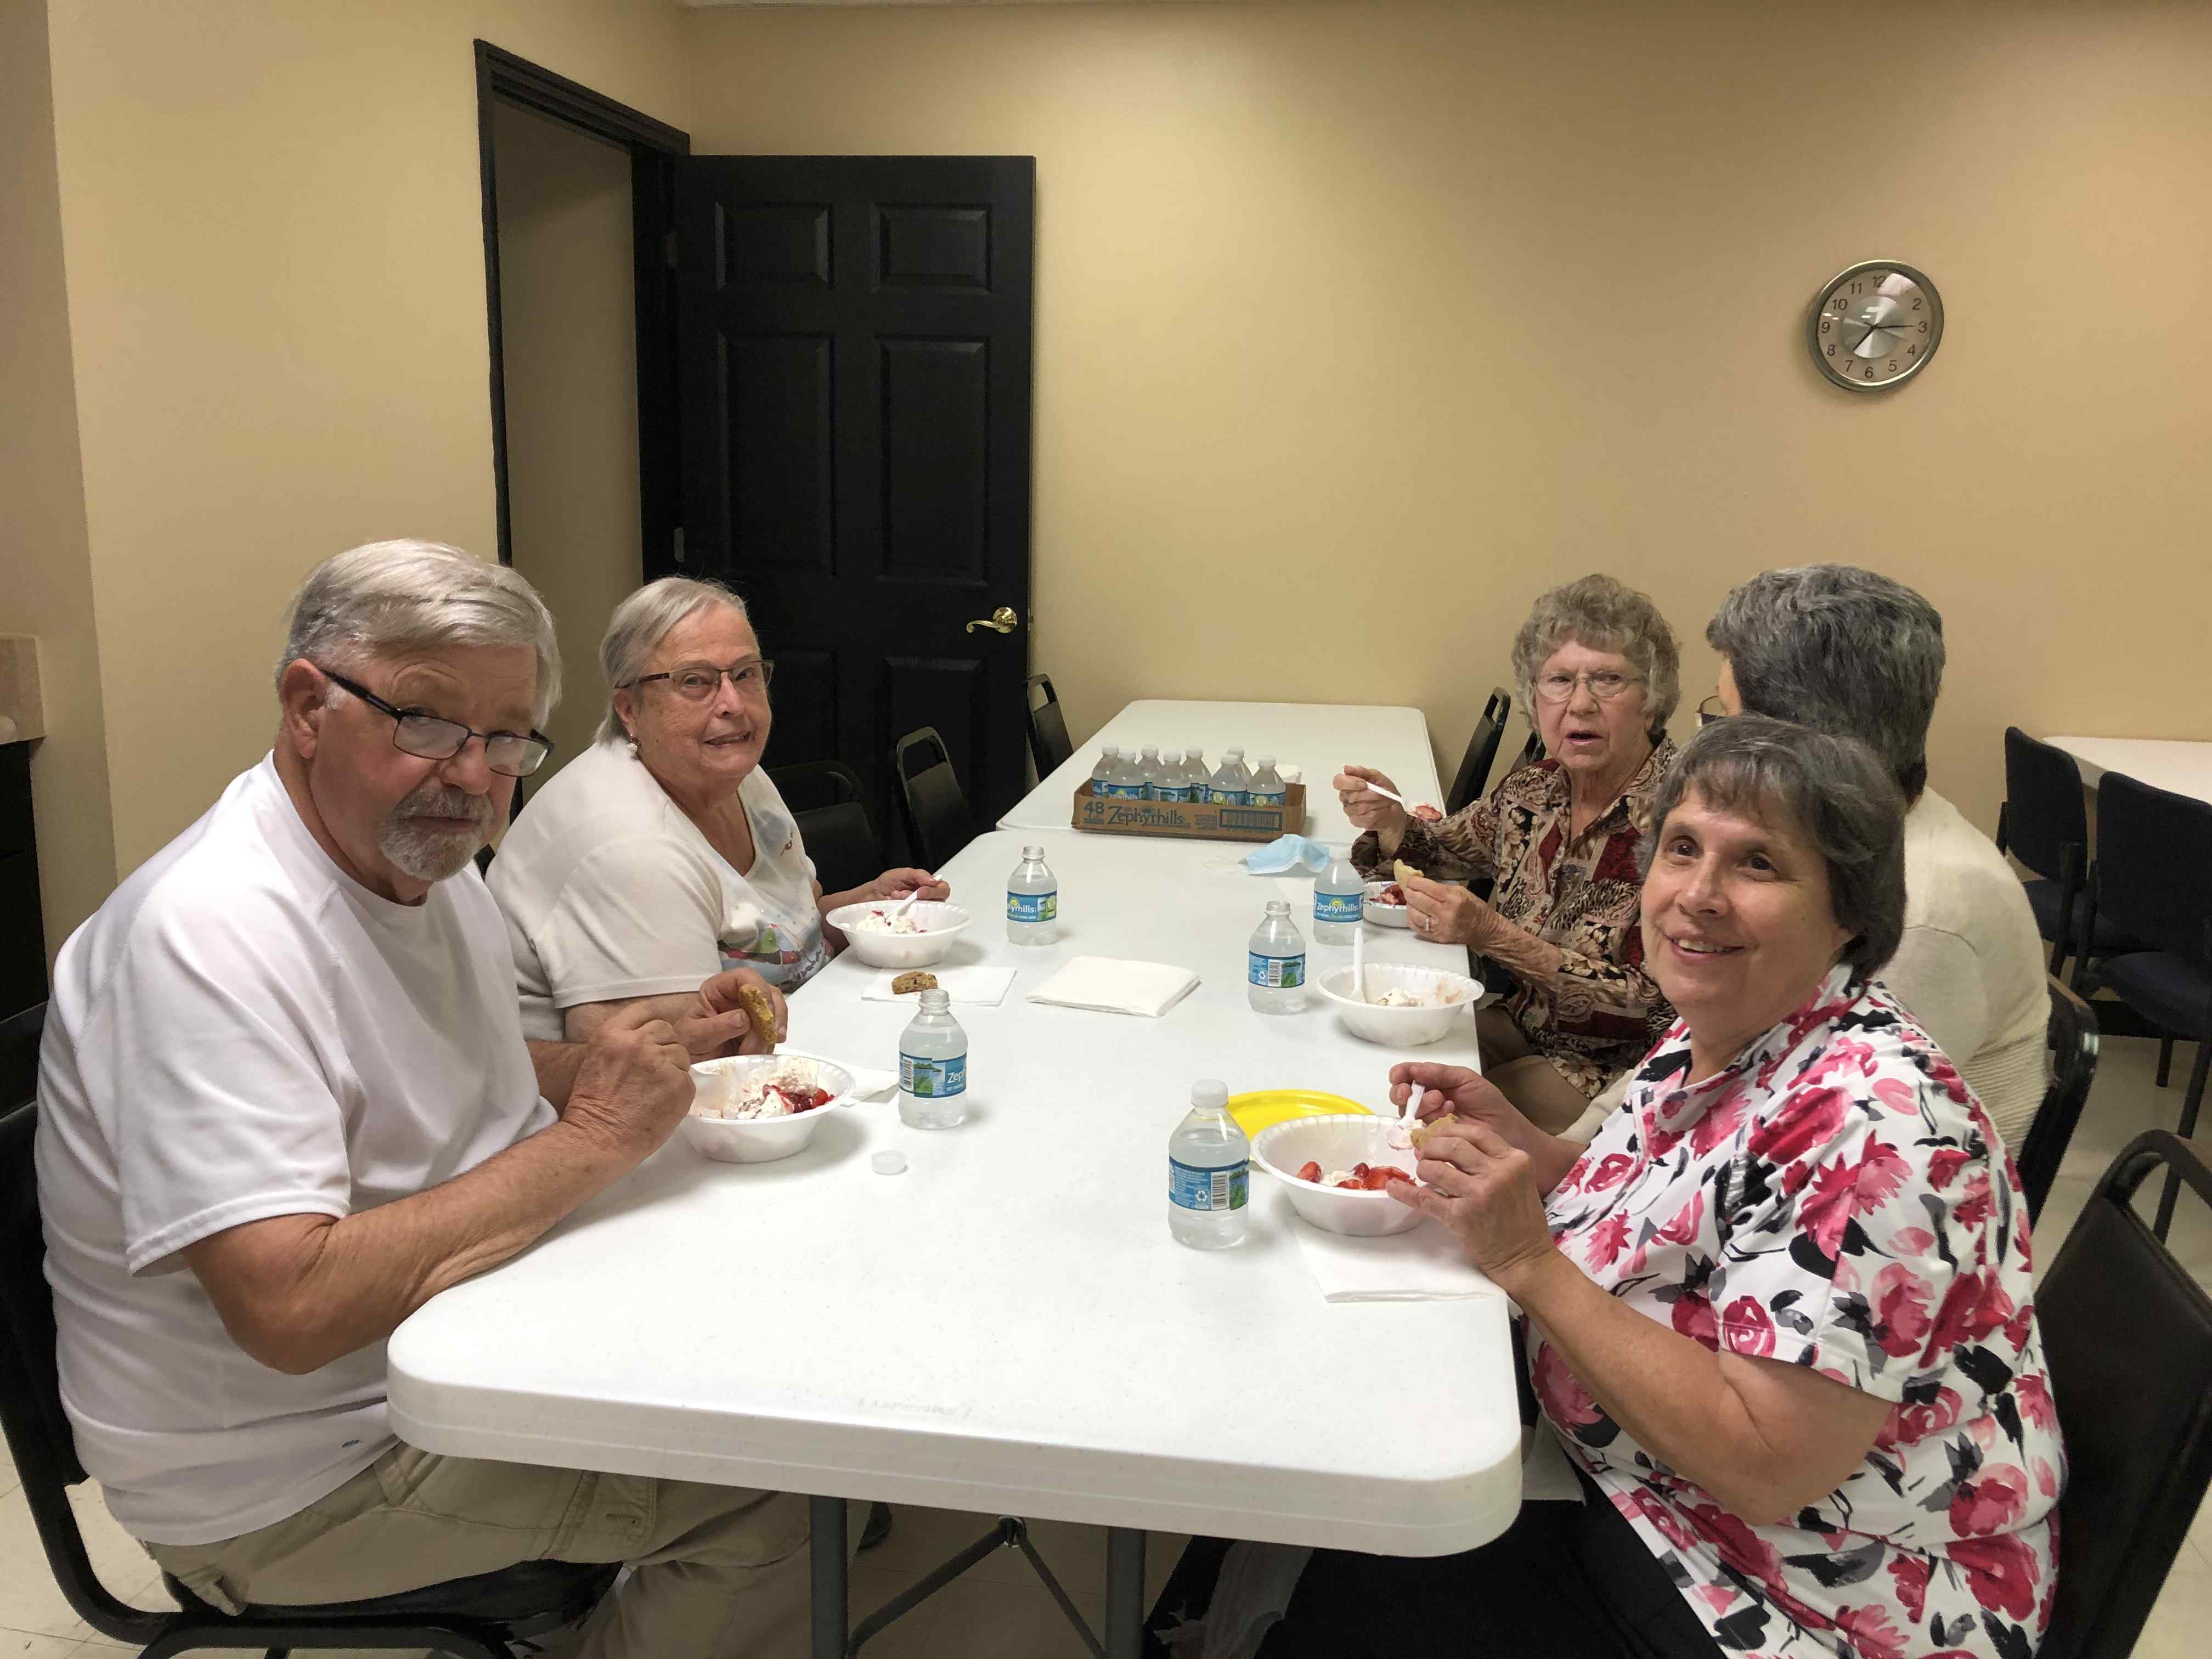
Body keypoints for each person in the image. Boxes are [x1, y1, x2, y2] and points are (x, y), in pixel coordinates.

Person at [34, 540, 856, 1658]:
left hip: (459, 1355)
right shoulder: (209, 936)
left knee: (786, 1354)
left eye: (508, 737)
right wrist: (597, 1136)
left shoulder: (426, 867)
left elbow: (474, 1066)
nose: (473, 774)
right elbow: (290, 1308)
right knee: (789, 1492)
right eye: (425, 723)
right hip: (299, 1484)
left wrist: (630, 1063)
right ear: (307, 706)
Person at [1255, 717, 2061, 1659]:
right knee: (1353, 1482)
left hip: (1796, 1593)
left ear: (1849, 911)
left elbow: (1767, 1465)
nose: (1698, 895)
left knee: (1367, 1580)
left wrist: (1527, 1260)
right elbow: (1667, 1203)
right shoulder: (1735, 1021)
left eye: (1757, 863)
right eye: (1681, 848)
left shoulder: (1877, 1132)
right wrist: (1523, 1147)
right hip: (1657, 1497)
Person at [489, 575, 946, 1042]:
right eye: (694, 681)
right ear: (629, 709)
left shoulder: (734, 772)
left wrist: (869, 909)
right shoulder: (626, 846)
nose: (733, 703)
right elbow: (672, 1063)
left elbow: (791, 936)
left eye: (745, 674)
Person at [1706, 565, 2049, 1146]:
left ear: (1797, 742)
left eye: (1725, 723)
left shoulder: (1924, 916)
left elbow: (1797, 1132)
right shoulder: (1844, 835)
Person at [1335, 573, 1679, 1133]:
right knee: (1380, 1055)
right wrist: (1392, 821)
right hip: (1527, 1022)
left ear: (1651, 700)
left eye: (1609, 680)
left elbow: (1658, 1010)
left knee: (1430, 1120)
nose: (1581, 704)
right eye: (1559, 681)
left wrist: (1495, 935)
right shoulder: (1535, 791)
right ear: (1534, 702)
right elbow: (1444, 852)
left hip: (1622, 1071)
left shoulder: (1685, 821)